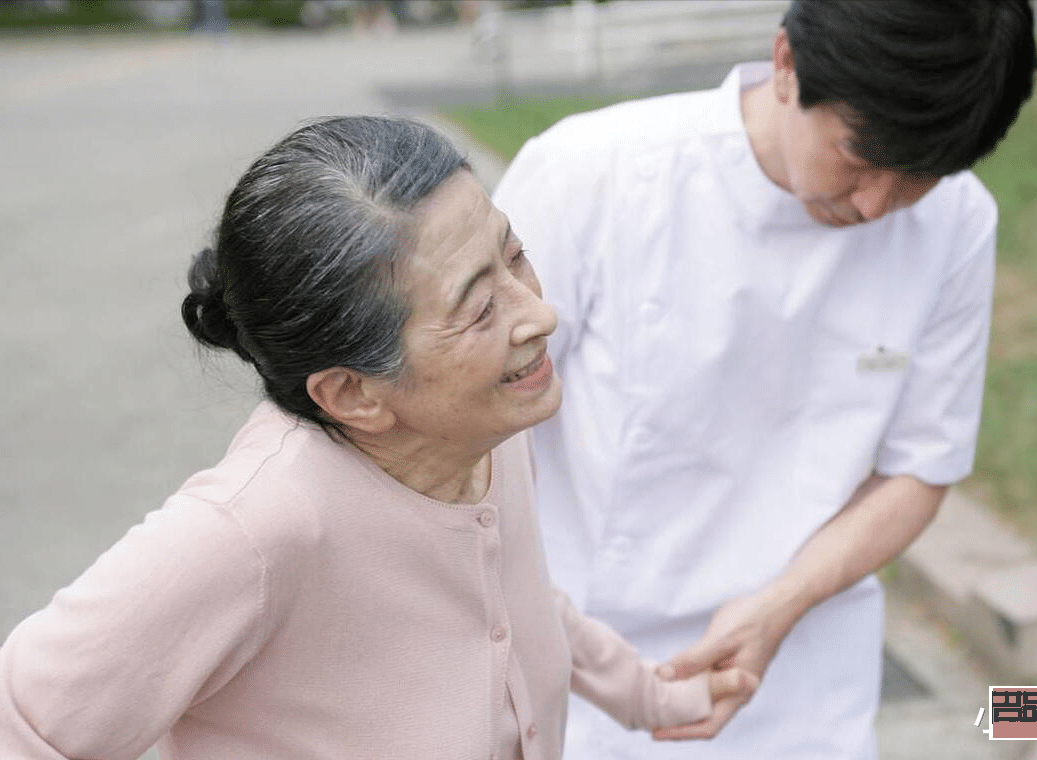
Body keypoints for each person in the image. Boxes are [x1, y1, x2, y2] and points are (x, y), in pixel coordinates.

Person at [0, 116, 756, 759]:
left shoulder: (488, 431)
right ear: (354, 393)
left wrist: (651, 696)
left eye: (515, 256)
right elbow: (25, 718)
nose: (538, 315)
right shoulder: (255, 530)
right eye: (479, 308)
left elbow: (513, 599)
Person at [491, 1, 1037, 757]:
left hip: (804, 673)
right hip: (580, 664)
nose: (877, 204)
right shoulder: (589, 175)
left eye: (920, 177)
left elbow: (921, 467)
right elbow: (472, 434)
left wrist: (780, 606)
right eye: (858, 156)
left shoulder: (958, 222)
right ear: (787, 64)